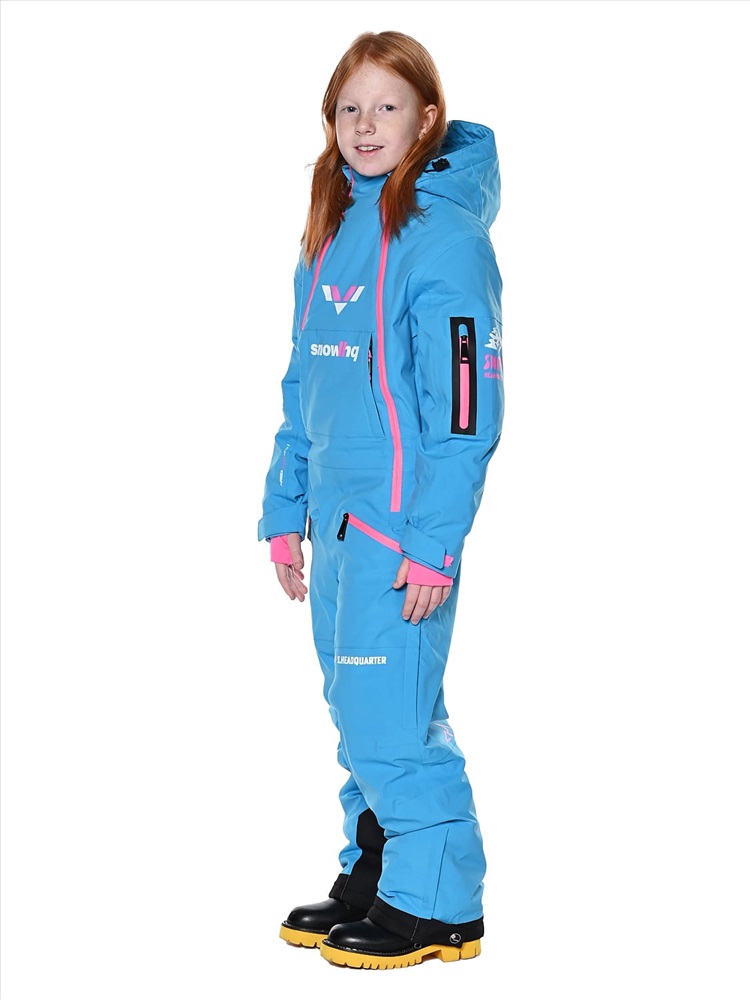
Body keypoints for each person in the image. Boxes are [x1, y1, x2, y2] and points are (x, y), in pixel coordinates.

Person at [258, 30, 504, 970]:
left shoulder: (443, 238)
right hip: (335, 524)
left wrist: (435, 541)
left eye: (387, 108)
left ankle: (438, 900)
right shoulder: (329, 234)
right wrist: (285, 508)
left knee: (393, 715)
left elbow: (465, 409)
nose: (366, 126)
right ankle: (378, 862)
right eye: (350, 109)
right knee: (358, 708)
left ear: (426, 119)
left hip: (401, 533)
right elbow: (304, 386)